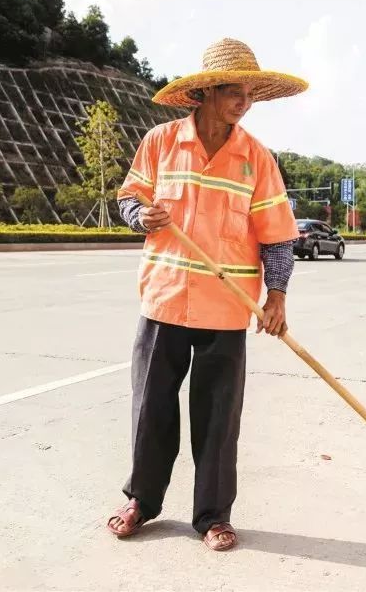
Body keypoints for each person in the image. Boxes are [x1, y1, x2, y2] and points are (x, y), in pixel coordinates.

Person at [106, 38, 308, 551]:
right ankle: (141, 502)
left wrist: (277, 297)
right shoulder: (161, 142)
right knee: (151, 410)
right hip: (164, 300)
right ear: (204, 93)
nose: (242, 101)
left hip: (227, 309)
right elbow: (130, 196)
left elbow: (278, 235)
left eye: (248, 92)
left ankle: (214, 516)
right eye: (231, 91)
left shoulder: (256, 158)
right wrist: (140, 216)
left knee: (218, 421)